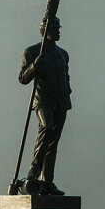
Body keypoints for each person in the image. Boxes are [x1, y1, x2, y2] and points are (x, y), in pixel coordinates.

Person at [18, 15, 71, 196]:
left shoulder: (63, 54)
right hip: (42, 100)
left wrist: (68, 90)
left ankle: (47, 181)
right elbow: (23, 79)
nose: (58, 32)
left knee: (53, 142)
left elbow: (66, 76)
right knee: (46, 128)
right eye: (54, 29)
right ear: (45, 31)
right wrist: (34, 66)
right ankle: (33, 172)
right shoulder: (32, 52)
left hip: (61, 101)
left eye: (58, 29)